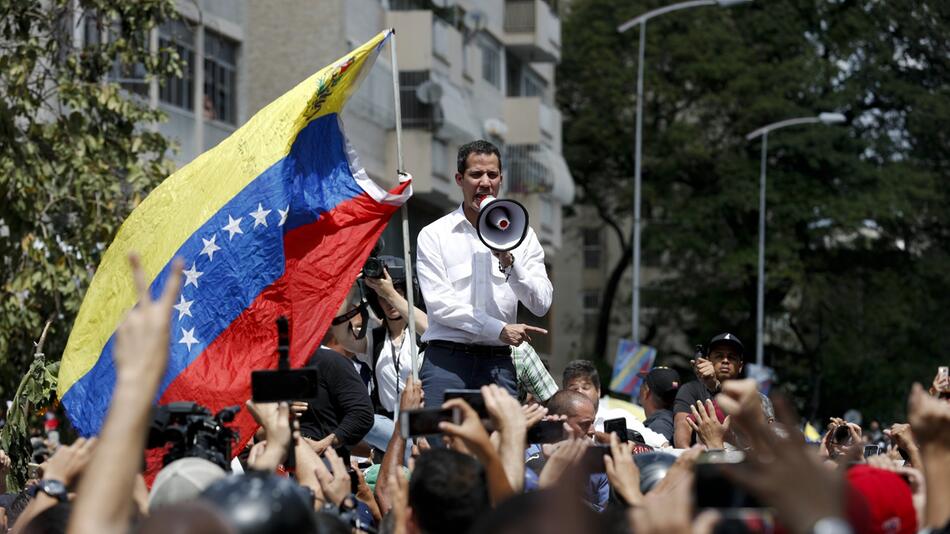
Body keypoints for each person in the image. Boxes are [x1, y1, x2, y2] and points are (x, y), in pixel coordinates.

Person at [416, 139, 553, 408]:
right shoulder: (435, 235)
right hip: (446, 361)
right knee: (439, 446)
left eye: (492, 175)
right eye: (476, 174)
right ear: (459, 179)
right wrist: (498, 328)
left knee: (501, 446)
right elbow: (440, 305)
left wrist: (509, 262)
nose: (485, 182)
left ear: (501, 178)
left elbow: (541, 303)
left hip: (497, 362)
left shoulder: (523, 236)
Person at [562, 360, 669, 448]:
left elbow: (662, 444)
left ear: (598, 391)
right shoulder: (559, 423)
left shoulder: (619, 416)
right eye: (574, 388)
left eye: (585, 387)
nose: (580, 392)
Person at [673, 333, 744, 448]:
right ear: (707, 360)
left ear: (740, 366)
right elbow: (682, 424)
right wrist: (686, 453)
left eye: (731, 357)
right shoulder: (691, 389)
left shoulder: (748, 395)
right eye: (719, 356)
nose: (725, 360)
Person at [637, 367, 680, 443]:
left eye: (643, 383)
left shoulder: (660, 427)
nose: (640, 387)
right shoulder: (673, 420)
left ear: (646, 391)